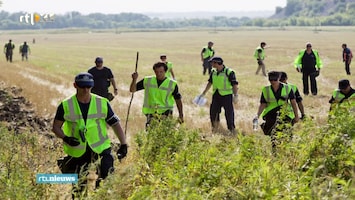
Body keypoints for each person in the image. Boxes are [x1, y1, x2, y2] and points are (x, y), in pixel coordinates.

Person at [52, 72, 127, 198]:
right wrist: (66, 138)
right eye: (82, 87)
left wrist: (124, 144)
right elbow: (55, 127)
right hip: (78, 150)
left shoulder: (102, 102)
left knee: (106, 178)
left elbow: (115, 124)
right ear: (75, 85)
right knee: (79, 187)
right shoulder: (66, 105)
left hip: (100, 147)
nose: (86, 90)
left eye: (88, 87)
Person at [129, 61, 184, 128]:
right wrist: (134, 79)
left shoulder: (172, 84)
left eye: (161, 72)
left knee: (166, 133)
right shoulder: (147, 80)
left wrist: (181, 114)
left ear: (165, 72)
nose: (158, 74)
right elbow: (132, 90)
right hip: (151, 113)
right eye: (156, 72)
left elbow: (178, 99)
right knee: (151, 134)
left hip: (166, 112)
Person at [254, 71, 299, 148]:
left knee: (286, 133)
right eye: (271, 80)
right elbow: (263, 104)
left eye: (275, 79)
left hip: (285, 113)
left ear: (279, 79)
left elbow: (293, 103)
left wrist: (296, 116)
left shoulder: (288, 88)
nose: (273, 82)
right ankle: (275, 151)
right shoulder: (266, 90)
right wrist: (257, 115)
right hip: (270, 114)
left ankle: (288, 150)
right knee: (273, 134)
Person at [200, 56, 239, 134]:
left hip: (226, 96)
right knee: (213, 112)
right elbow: (210, 82)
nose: (211, 64)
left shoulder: (229, 72)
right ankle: (215, 128)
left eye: (212, 62)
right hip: (216, 95)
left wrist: (235, 95)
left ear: (217, 63)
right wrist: (204, 92)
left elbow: (234, 84)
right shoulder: (213, 72)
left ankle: (231, 129)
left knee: (229, 113)